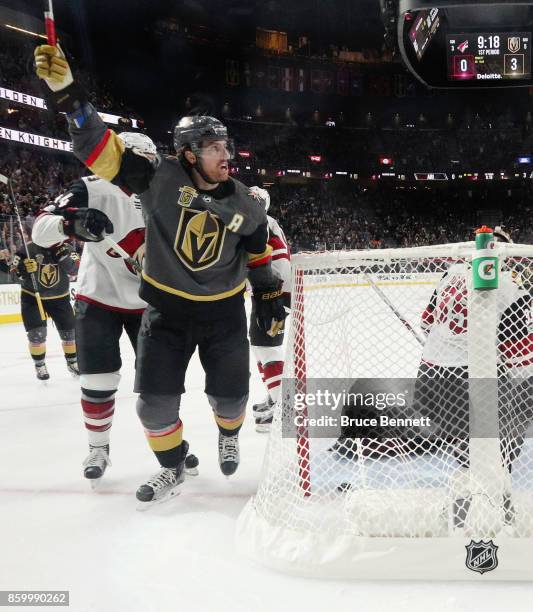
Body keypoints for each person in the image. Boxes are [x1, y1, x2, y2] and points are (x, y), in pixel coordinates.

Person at [34, 45, 287, 506]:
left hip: (224, 313)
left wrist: (268, 290)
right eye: (213, 148)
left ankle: (226, 435)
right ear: (188, 154)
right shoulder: (157, 179)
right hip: (166, 313)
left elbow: (257, 252)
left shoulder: (247, 204)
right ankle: (172, 468)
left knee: (232, 404)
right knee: (152, 407)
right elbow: (97, 148)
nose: (225, 154)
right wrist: (69, 96)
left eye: (225, 146)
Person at [32, 132, 151, 486]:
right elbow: (40, 230)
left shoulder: (163, 194)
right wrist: (71, 224)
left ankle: (168, 447)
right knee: (98, 379)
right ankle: (98, 447)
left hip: (148, 300)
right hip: (98, 297)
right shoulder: (89, 188)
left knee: (160, 383)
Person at [5, 234, 79, 380]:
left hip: (60, 298)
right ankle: (39, 366)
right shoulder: (27, 248)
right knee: (37, 335)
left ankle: (72, 363)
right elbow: (13, 272)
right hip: (32, 297)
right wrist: (23, 269)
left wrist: (63, 257)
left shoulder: (68, 248)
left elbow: (75, 270)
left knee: (69, 334)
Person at [248, 186, 291, 432]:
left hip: (272, 295)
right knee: (259, 347)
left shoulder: (263, 222)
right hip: (266, 294)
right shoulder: (261, 221)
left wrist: (275, 295)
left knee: (267, 349)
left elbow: (281, 263)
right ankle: (274, 396)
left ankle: (283, 405)